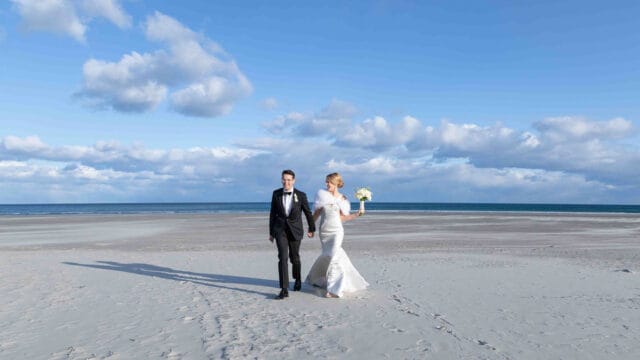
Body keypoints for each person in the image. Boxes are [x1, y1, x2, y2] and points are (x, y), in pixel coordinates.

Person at [306, 172, 369, 298]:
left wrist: (357, 214)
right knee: (328, 256)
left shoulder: (342, 199)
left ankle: (334, 290)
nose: (326, 184)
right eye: (326, 181)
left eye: (329, 182)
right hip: (324, 232)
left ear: (335, 183)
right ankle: (318, 278)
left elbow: (342, 218)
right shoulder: (322, 195)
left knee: (334, 257)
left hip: (337, 231)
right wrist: (311, 228)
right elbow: (316, 214)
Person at [269, 169, 315, 300]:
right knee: (282, 258)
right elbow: (272, 214)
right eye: (284, 179)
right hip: (280, 230)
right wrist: (271, 232)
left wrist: (312, 228)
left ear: (293, 180)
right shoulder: (276, 194)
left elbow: (307, 212)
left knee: (294, 258)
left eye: (289, 179)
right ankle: (284, 289)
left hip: (295, 230)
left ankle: (298, 279)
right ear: (281, 180)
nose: (286, 182)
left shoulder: (301, 195)